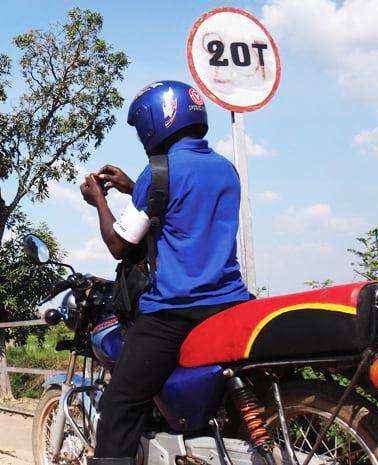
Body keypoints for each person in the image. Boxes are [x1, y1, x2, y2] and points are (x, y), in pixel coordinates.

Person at [79, 80, 251, 465]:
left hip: (175, 310)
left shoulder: (159, 170)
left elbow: (119, 244)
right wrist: (132, 187)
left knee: (121, 403)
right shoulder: (226, 169)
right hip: (231, 303)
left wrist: (99, 201)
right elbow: (181, 212)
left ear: (155, 123)